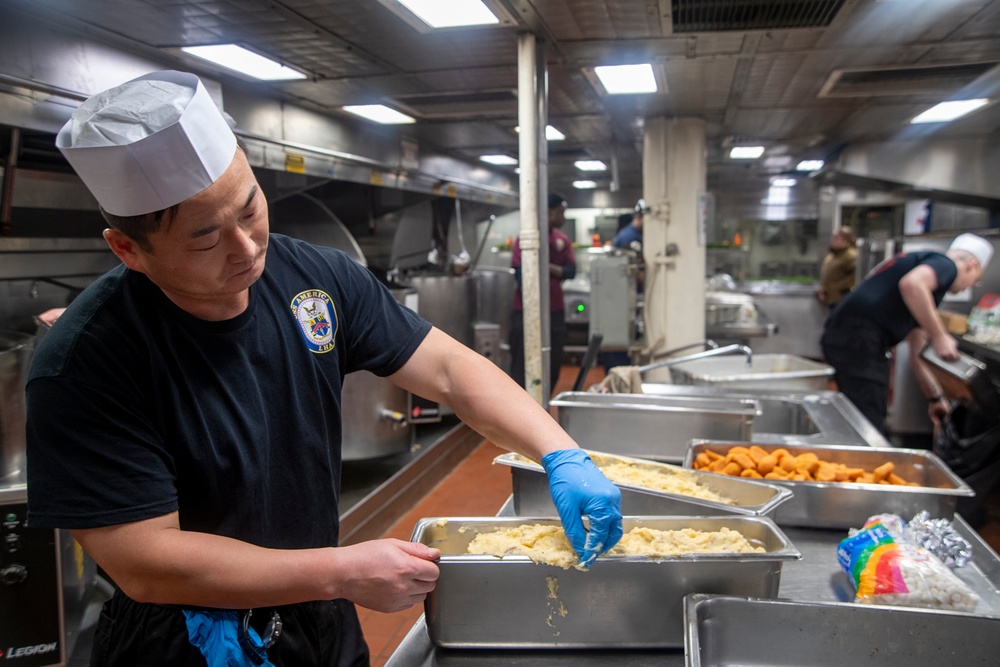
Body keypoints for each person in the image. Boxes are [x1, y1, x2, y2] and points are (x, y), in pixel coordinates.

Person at [25, 70, 622, 667]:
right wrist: (338, 570)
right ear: (129, 250)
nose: (248, 247)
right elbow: (146, 562)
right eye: (206, 239)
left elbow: (446, 368)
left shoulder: (314, 277)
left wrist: (559, 452)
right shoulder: (86, 362)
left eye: (251, 206)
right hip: (185, 641)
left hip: (318, 617)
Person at [820, 233, 992, 434]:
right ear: (972, 265)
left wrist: (934, 398)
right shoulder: (946, 264)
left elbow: (918, 352)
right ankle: (864, 463)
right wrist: (940, 336)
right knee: (867, 420)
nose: (968, 286)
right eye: (975, 281)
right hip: (859, 339)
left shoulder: (924, 280)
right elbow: (912, 285)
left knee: (857, 415)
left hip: (846, 337)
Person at [509, 193, 576, 391]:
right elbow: (521, 276)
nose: (563, 217)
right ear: (548, 213)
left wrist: (547, 267)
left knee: (554, 360)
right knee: (521, 361)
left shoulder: (561, 240)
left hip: (554, 311)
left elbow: (571, 271)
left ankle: (543, 400)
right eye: (560, 212)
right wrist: (556, 270)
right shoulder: (526, 239)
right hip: (525, 310)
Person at [817, 226, 858, 311]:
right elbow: (827, 275)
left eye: (836, 238)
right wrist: (823, 289)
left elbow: (855, 276)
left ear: (846, 240)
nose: (832, 240)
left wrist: (841, 289)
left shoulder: (851, 256)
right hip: (830, 299)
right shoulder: (832, 256)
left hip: (842, 299)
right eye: (832, 237)